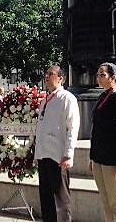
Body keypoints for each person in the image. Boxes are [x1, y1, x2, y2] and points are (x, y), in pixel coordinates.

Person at [34, 65, 80, 222]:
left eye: (51, 74)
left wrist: (68, 154)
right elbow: (40, 127)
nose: (47, 76)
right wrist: (37, 153)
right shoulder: (45, 100)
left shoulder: (67, 98)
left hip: (58, 156)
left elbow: (72, 127)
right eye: (46, 74)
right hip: (43, 155)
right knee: (46, 199)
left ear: (61, 78)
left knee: (60, 200)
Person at [90, 63, 116, 222]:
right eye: (98, 74)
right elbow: (97, 129)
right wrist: (92, 157)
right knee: (106, 202)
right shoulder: (103, 96)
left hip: (113, 161)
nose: (98, 77)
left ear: (113, 78)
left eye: (102, 74)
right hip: (99, 159)